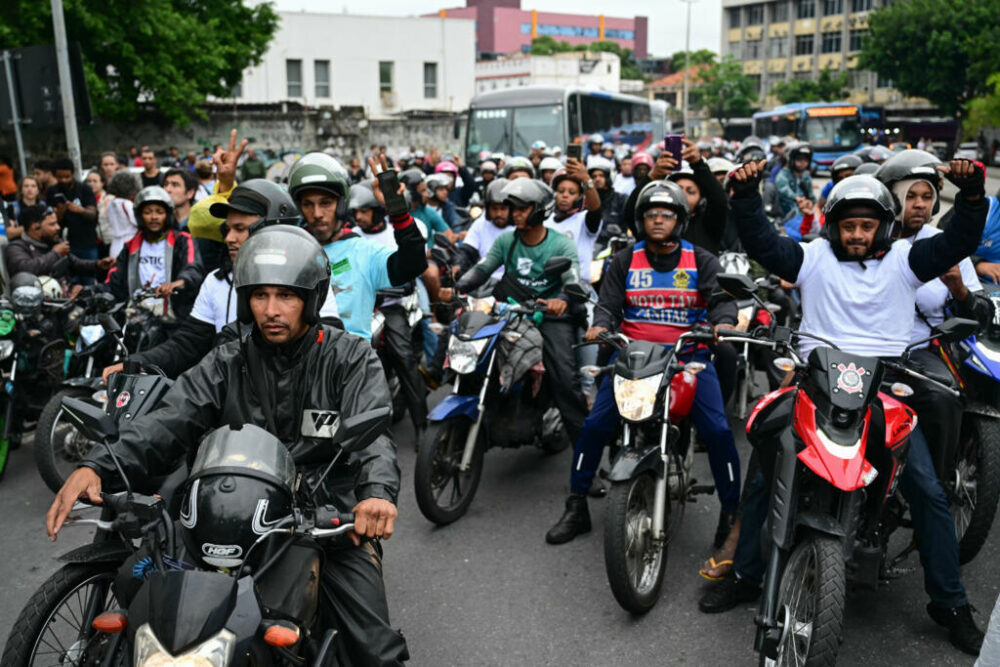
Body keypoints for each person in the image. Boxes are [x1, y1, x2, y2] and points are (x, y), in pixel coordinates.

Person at [49, 225, 409, 666]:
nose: (272, 310)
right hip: (227, 509)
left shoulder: (350, 357)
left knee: (373, 648)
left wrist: (374, 495)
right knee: (143, 597)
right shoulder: (228, 358)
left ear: (312, 300)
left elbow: (373, 438)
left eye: (287, 296)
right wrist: (99, 464)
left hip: (325, 510)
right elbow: (171, 417)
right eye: (260, 296)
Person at [699, 160, 989, 657]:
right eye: (849, 226)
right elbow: (765, 246)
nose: (857, 235)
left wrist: (971, 198)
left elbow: (956, 242)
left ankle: (950, 602)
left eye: (866, 226)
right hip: (815, 384)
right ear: (834, 226)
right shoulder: (812, 257)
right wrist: (745, 197)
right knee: (763, 470)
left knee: (926, 489)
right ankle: (747, 574)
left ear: (883, 227)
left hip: (885, 391)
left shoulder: (906, 258)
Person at [545, 179, 742, 547]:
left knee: (716, 430)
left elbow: (720, 299)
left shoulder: (700, 259)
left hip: (688, 357)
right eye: (650, 214)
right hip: (633, 356)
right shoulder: (624, 259)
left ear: (680, 220)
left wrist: (724, 322)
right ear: (640, 219)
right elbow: (607, 303)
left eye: (666, 215)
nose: (657, 221)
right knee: (595, 425)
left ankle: (731, 515)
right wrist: (601, 325)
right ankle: (576, 504)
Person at [101, 179, 340, 381]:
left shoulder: (307, 279)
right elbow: (188, 343)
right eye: (228, 229)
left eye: (240, 228)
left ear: (271, 229)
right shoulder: (215, 281)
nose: (229, 238)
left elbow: (327, 341)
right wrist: (139, 363)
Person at [441, 178, 589, 445]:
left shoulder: (560, 245)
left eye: (522, 208)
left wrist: (562, 300)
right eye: (514, 208)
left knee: (566, 382)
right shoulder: (506, 240)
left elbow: (572, 282)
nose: (515, 214)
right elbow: (482, 270)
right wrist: (456, 286)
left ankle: (585, 460)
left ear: (540, 209)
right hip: (509, 311)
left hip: (548, 315)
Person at [288, 152, 427, 340]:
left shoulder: (363, 251)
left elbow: (412, 265)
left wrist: (398, 211)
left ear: (341, 204)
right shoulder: (291, 252)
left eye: (326, 203)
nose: (317, 213)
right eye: (308, 204)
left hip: (352, 363)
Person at [348, 185, 429, 434]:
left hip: (392, 307)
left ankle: (422, 428)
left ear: (376, 211)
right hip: (362, 308)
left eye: (364, 211)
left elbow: (411, 264)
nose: (359, 217)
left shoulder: (394, 233)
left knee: (404, 358)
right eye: (356, 212)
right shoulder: (351, 236)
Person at [103, 186, 202, 321]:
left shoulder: (183, 240)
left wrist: (178, 283)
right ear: (140, 216)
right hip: (138, 316)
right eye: (148, 212)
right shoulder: (131, 246)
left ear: (167, 215)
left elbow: (193, 268)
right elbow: (114, 279)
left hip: (174, 315)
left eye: (159, 212)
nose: (154, 217)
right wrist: (94, 291)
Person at [5, 204, 114, 280]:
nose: (58, 227)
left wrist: (98, 265)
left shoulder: (53, 241)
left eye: (57, 223)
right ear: (35, 228)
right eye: (52, 224)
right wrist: (55, 254)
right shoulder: (17, 247)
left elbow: (75, 264)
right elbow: (25, 270)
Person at [545, 161, 602, 282]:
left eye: (572, 193)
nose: (565, 195)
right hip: (548, 285)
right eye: (561, 191)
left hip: (578, 286)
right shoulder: (546, 222)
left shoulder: (584, 220)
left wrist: (586, 180)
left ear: (580, 197)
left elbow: (595, 208)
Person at [48, 158, 100, 282]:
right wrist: (60, 212)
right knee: (71, 281)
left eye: (67, 177)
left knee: (89, 279)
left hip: (88, 243)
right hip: (67, 244)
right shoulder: (53, 191)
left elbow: (93, 214)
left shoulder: (84, 189)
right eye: (60, 177)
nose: (64, 180)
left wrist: (80, 210)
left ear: (72, 174)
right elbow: (50, 220)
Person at [455, 178, 510, 278]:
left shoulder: (520, 226)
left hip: (514, 282)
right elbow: (467, 250)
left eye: (503, 209)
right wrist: (458, 265)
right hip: (483, 281)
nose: (498, 213)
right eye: (494, 209)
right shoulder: (480, 224)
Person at [103, 170, 141, 258]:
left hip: (115, 243)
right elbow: (137, 222)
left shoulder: (110, 204)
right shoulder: (127, 204)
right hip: (129, 242)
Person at [774, 141, 815, 218]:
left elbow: (811, 196)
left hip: (805, 213)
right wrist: (796, 198)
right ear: (791, 159)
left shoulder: (805, 176)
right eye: (799, 159)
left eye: (805, 160)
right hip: (788, 215)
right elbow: (784, 190)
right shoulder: (783, 175)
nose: (803, 163)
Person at [587, 156, 627, 232]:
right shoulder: (586, 201)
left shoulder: (621, 199)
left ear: (609, 177)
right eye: (594, 176)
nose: (597, 179)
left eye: (601, 175)